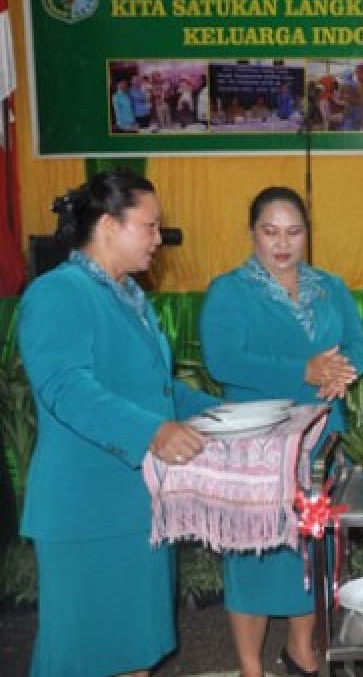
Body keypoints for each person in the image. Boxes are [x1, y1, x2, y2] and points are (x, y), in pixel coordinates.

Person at [18, 170, 217, 676]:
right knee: (80, 658)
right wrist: (151, 432)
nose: (158, 239)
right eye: (149, 227)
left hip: (138, 507)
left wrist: (223, 414)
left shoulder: (130, 296)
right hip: (86, 512)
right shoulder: (58, 292)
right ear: (108, 224)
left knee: (134, 652)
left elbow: (156, 390)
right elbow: (65, 386)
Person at [199, 187, 363, 677]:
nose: (282, 243)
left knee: (310, 548)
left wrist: (342, 371)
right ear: (252, 233)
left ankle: (300, 649)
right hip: (258, 448)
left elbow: (360, 344)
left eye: (293, 232)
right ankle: (250, 667)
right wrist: (305, 371)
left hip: (321, 437)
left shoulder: (330, 286)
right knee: (255, 553)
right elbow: (224, 359)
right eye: (270, 231)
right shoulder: (229, 290)